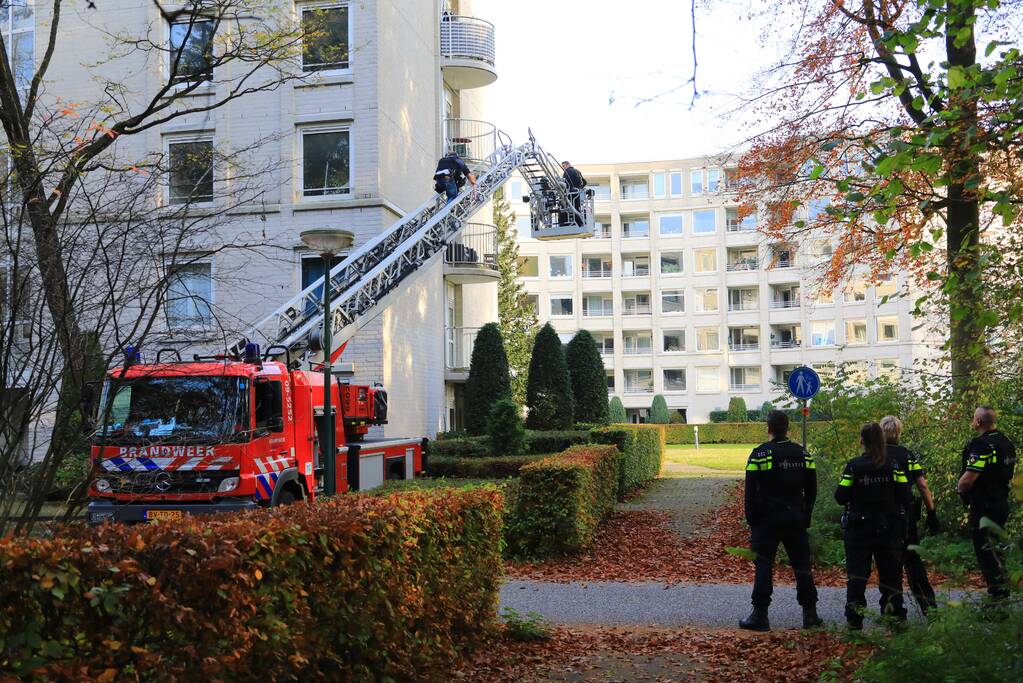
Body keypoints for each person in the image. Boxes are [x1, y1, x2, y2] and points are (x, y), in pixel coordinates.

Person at [740, 410, 822, 632]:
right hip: (795, 518)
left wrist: (752, 519)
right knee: (802, 566)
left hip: (767, 520)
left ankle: (760, 615)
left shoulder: (760, 455)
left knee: (764, 566)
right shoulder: (803, 454)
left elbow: (749, 491)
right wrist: (806, 515)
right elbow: (812, 490)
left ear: (769, 428)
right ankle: (810, 614)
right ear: (788, 428)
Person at [835, 423, 911, 630]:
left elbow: (840, 496)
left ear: (862, 441)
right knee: (891, 576)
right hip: (889, 528)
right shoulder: (893, 466)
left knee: (857, 576)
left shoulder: (854, 466)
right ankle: (894, 617)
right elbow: (907, 495)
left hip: (859, 529)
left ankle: (855, 620)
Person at [879, 415, 939, 614]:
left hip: (882, 518)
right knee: (913, 562)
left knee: (889, 565)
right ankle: (929, 609)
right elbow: (922, 484)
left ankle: (893, 611)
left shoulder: (875, 455)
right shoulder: (907, 455)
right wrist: (931, 512)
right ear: (899, 432)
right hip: (906, 516)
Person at [957, 406, 1017, 601]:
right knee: (996, 549)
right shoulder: (1005, 441)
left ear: (978, 422)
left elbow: (969, 478)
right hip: (1001, 502)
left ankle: (997, 599)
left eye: (974, 418)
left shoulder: (981, 445)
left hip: (984, 506)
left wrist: (960, 489)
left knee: (986, 552)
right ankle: (1002, 593)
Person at [561, 161, 587, 226]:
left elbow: (565, 183)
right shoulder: (577, 171)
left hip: (571, 194)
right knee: (576, 208)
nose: (563, 168)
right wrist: (580, 188)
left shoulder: (567, 172)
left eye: (564, 166)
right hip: (578, 193)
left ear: (568, 165)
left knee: (568, 208)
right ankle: (581, 222)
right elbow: (585, 182)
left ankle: (574, 223)